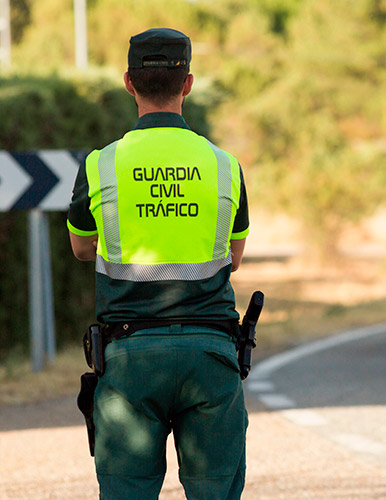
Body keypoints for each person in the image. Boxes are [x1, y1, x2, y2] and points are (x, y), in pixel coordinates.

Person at [67, 28, 249, 500]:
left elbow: (82, 248)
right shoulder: (225, 165)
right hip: (210, 355)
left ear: (129, 83)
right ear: (187, 84)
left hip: (129, 360)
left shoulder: (100, 165)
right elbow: (233, 257)